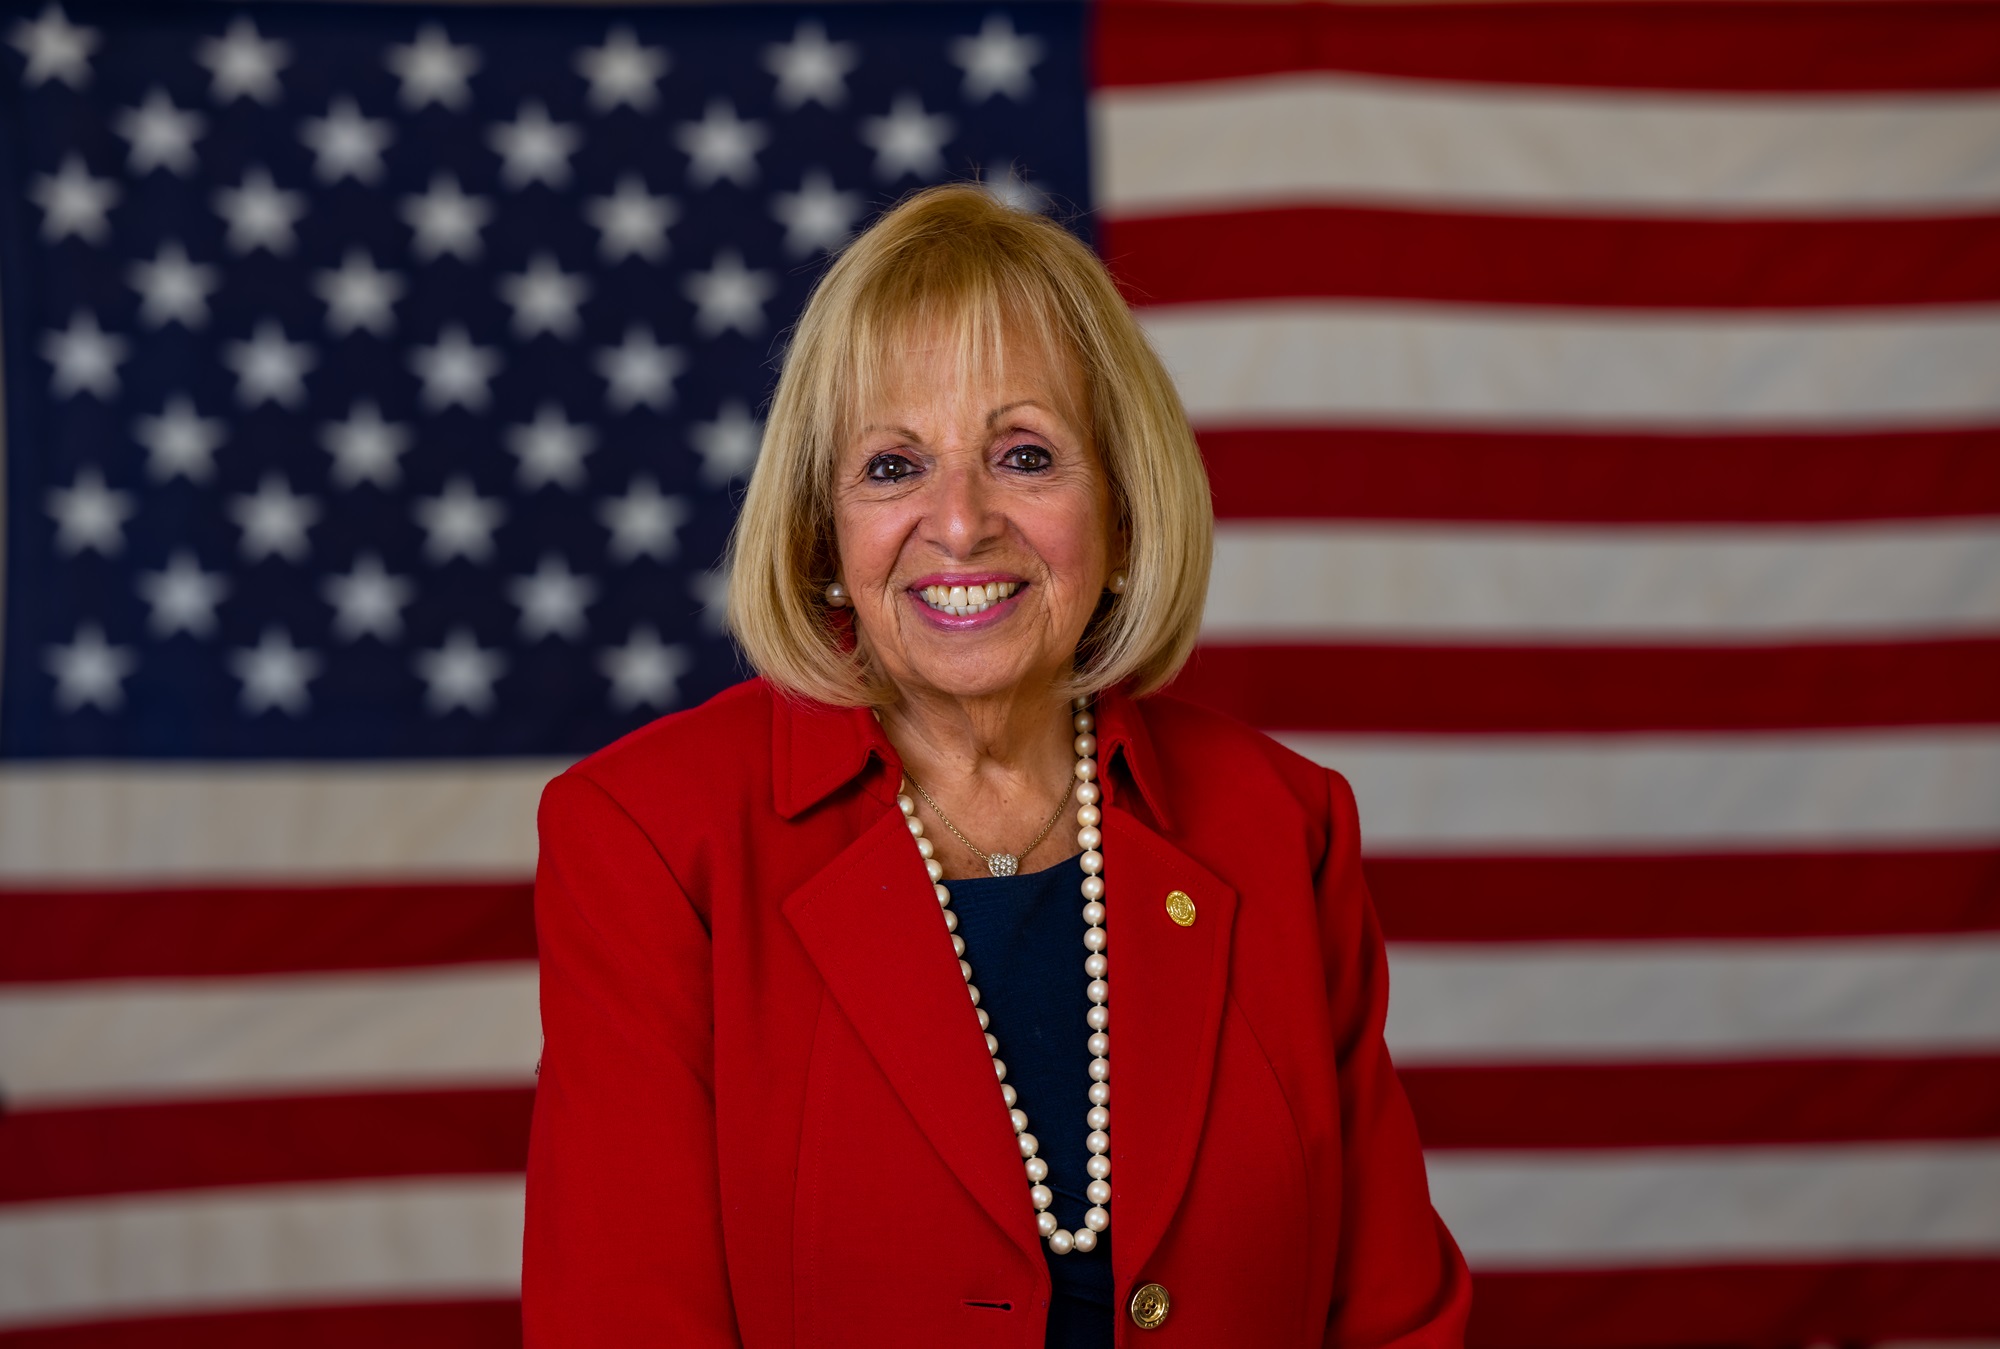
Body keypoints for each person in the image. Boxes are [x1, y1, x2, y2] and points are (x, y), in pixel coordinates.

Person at [523, 185, 1469, 1347]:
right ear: (823, 532)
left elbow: (1392, 1316)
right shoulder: (650, 839)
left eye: (1024, 454)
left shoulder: (1280, 822)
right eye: (890, 467)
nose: (960, 522)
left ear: (1120, 514)